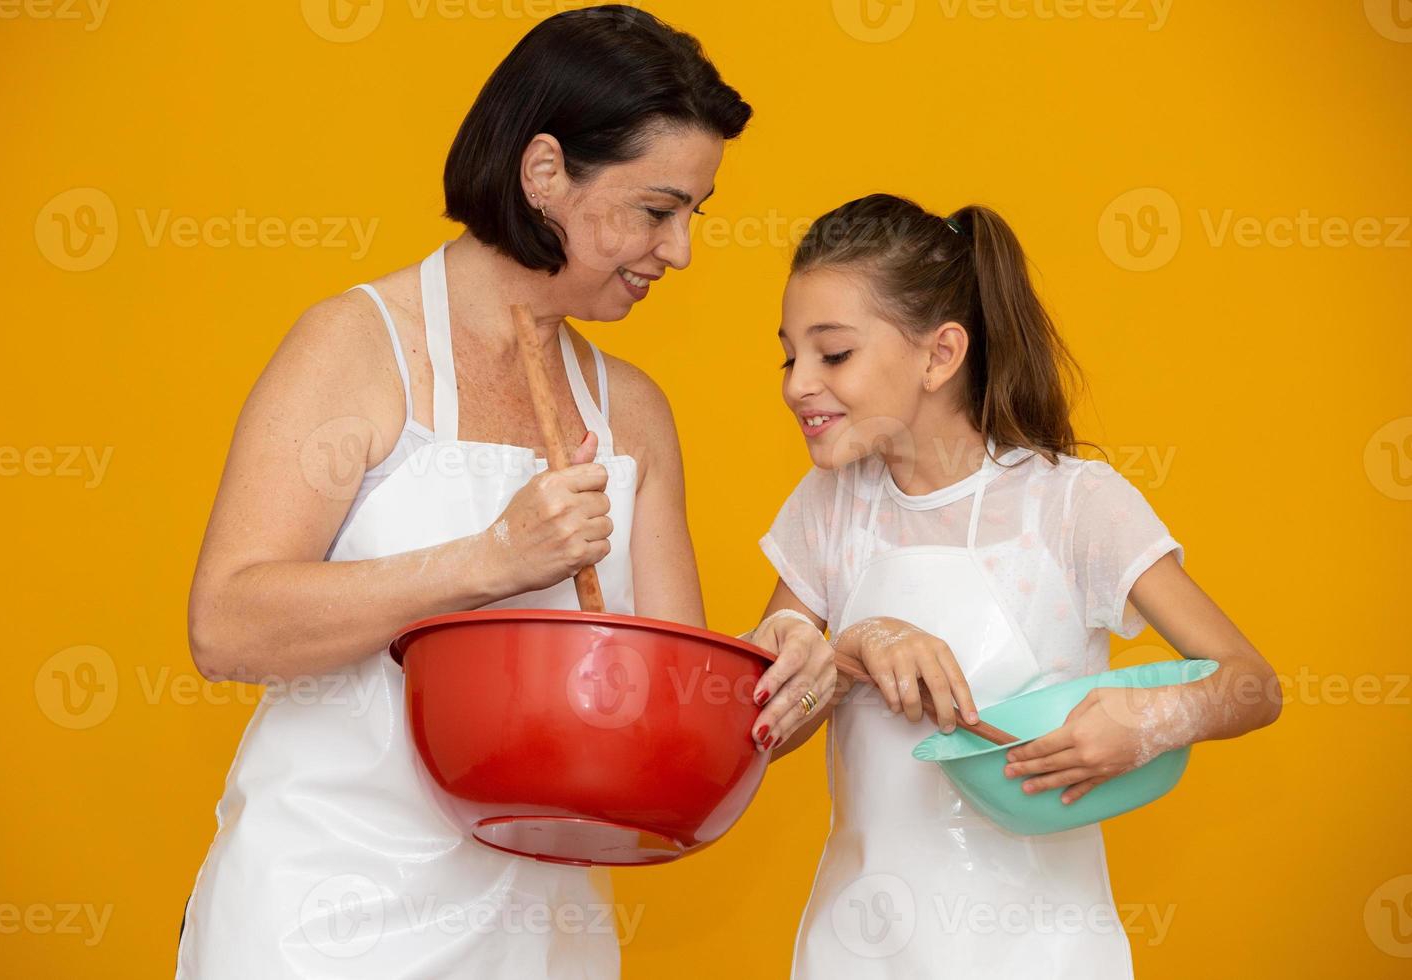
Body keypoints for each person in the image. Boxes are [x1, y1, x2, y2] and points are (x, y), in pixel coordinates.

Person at [174, 7, 810, 977]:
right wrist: (488, 561)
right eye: (656, 208)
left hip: (541, 929)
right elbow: (227, 623)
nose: (680, 250)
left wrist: (780, 679)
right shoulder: (356, 346)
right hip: (321, 918)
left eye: (695, 214)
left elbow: (665, 720)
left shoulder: (631, 411)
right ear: (544, 169)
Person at [754, 193, 1282, 977]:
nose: (799, 384)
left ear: (940, 355)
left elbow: (1253, 686)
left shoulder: (1073, 506)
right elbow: (764, 722)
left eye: (833, 355)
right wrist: (853, 650)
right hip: (857, 945)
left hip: (1040, 951)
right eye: (788, 355)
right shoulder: (829, 510)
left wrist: (1150, 720)